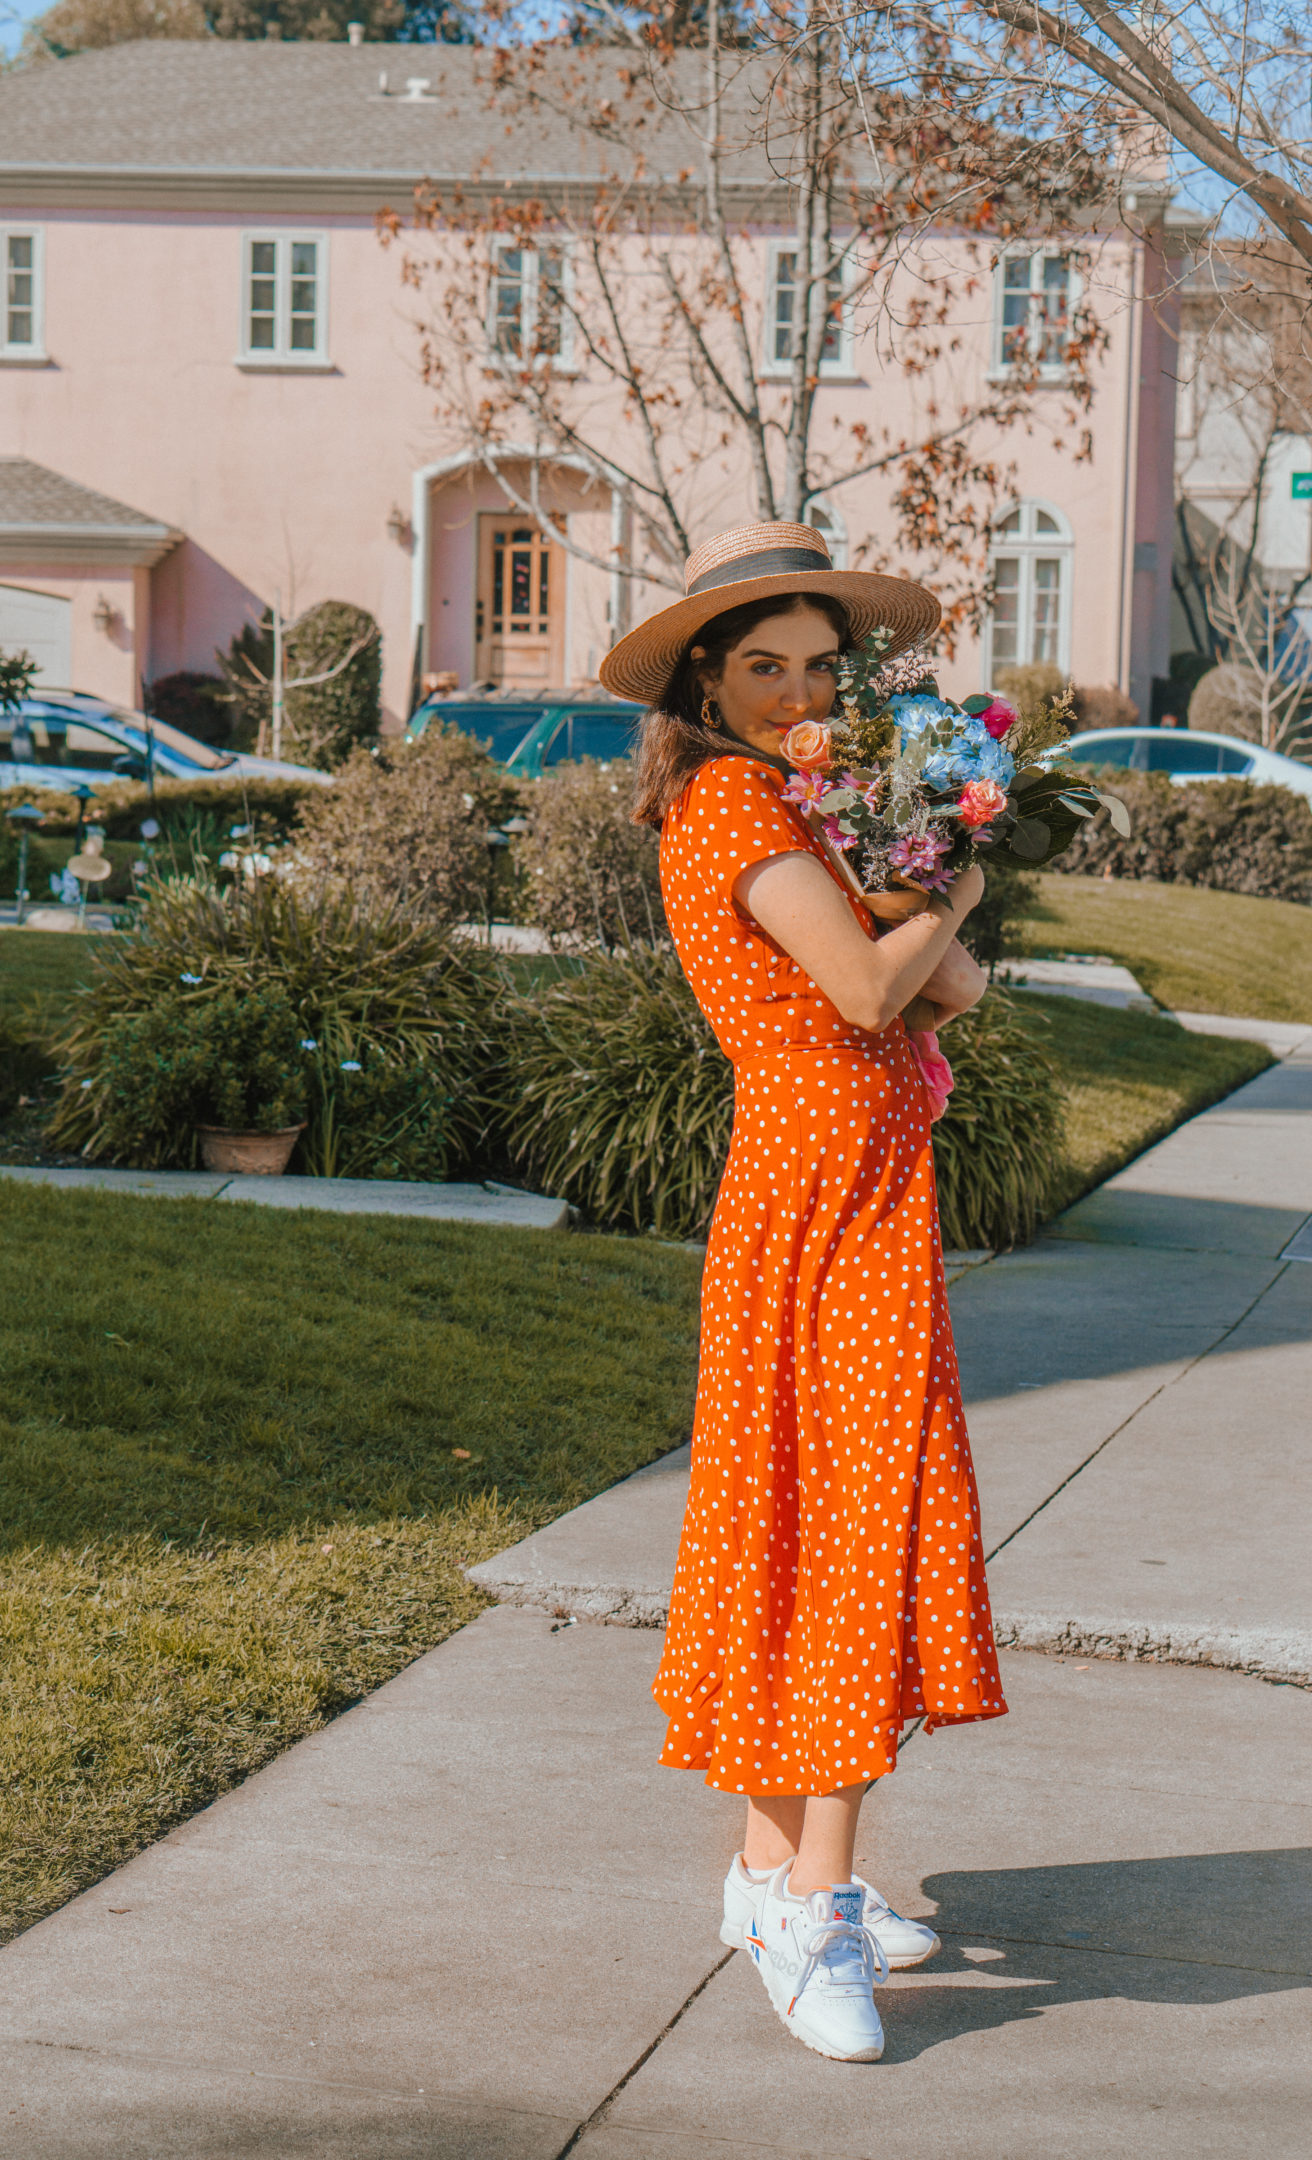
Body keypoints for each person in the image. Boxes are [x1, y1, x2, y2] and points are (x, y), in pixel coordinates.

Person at [600, 521, 1007, 2065]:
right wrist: (952, 894)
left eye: (819, 667)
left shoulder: (797, 805)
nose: (794, 693)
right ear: (704, 676)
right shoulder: (723, 804)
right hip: (818, 1210)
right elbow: (869, 988)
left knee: (806, 1520)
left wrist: (923, 899)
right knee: (849, 1525)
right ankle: (813, 1912)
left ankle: (774, 1871)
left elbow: (941, 989)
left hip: (856, 1198)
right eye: (761, 666)